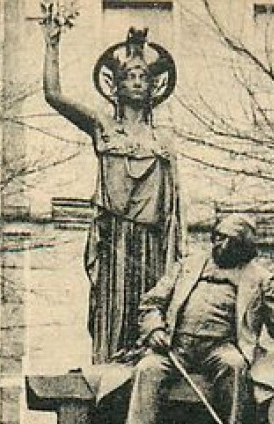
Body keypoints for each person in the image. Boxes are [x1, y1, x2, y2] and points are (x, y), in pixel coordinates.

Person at [113, 215, 274, 424]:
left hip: (221, 347)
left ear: (243, 245)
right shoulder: (187, 266)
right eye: (216, 236)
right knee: (148, 368)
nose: (217, 243)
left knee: (235, 366)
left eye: (226, 239)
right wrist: (154, 328)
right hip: (176, 347)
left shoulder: (260, 278)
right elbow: (151, 303)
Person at [42, 20, 182, 363]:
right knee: (115, 311)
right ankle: (109, 366)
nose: (136, 82)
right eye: (129, 77)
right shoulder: (102, 126)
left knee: (151, 310)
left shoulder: (163, 138)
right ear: (116, 87)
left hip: (153, 240)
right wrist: (51, 46)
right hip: (116, 237)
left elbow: (175, 200)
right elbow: (53, 95)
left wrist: (176, 244)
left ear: (153, 87)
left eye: (143, 77)